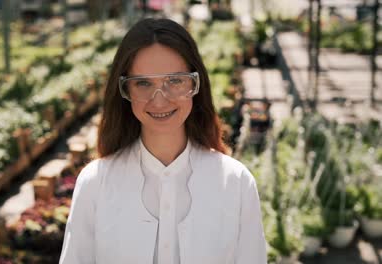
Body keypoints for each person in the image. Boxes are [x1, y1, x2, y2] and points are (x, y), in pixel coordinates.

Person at [59, 18, 267, 264]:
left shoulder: (236, 183)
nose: (159, 100)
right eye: (143, 83)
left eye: (175, 81)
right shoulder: (95, 184)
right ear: (125, 91)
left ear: (195, 84)